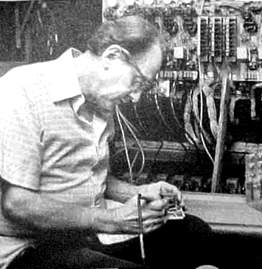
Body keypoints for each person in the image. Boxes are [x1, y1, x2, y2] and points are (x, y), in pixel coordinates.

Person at [0, 15, 214, 269]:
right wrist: (111, 220)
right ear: (112, 56)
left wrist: (137, 193)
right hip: (30, 248)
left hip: (86, 235)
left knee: (194, 234)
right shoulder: (21, 90)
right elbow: (17, 204)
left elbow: (92, 176)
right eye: (138, 82)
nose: (135, 97)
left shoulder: (99, 100)